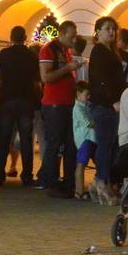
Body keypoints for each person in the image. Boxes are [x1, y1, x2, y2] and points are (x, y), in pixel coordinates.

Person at [38, 20, 83, 197]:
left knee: (70, 143)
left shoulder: (66, 51)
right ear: (62, 34)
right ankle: (51, 182)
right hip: (54, 103)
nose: (74, 40)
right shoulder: (48, 49)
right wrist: (68, 68)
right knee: (55, 143)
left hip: (67, 102)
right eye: (72, 36)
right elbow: (46, 77)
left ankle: (68, 182)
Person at [0, 25, 38, 186]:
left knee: (4, 138)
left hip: (8, 99)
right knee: (25, 139)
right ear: (25, 37)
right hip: (26, 99)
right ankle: (27, 176)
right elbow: (36, 78)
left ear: (11, 37)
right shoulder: (31, 55)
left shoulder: (4, 53)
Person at [86, 16, 126, 202]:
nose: (111, 31)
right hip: (103, 105)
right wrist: (112, 101)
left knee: (111, 145)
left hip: (110, 105)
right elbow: (101, 79)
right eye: (107, 28)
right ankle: (102, 182)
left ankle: (99, 183)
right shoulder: (99, 51)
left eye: (113, 29)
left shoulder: (111, 52)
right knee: (106, 146)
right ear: (98, 32)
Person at [72, 81, 100, 201]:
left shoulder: (85, 106)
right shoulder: (78, 109)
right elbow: (89, 123)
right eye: (86, 94)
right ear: (78, 94)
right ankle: (79, 191)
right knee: (81, 164)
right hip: (85, 140)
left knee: (98, 163)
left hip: (91, 139)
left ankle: (94, 188)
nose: (88, 97)